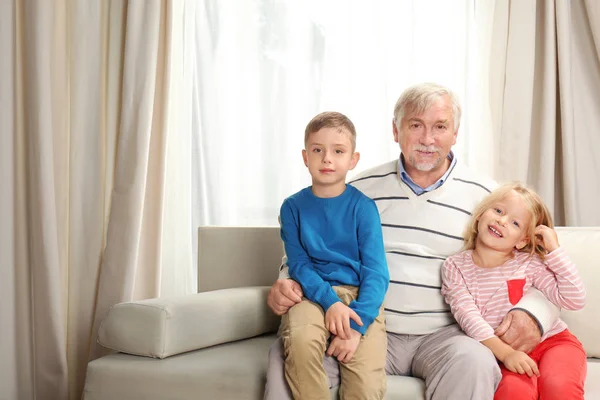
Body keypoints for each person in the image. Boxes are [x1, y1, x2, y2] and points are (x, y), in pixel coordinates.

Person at [265, 82, 561, 400]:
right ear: (396, 130)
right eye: (415, 125)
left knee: (473, 361)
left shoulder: (490, 198)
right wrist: (286, 280)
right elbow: (309, 246)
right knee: (289, 354)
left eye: (440, 127)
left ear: (456, 133)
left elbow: (544, 266)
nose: (427, 139)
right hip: (366, 323)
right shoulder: (359, 188)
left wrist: (533, 314)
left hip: (447, 335)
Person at [279, 111, 389, 400]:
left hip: (359, 298)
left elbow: (377, 273)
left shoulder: (363, 208)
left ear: (353, 160)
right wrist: (329, 302)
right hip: (312, 295)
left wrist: (357, 325)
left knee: (365, 384)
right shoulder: (292, 208)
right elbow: (299, 264)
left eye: (338, 151)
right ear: (305, 156)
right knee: (300, 342)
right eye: (318, 150)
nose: (327, 159)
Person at [442, 182, 586, 399]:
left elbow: (574, 299)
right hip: (505, 354)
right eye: (498, 211)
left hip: (553, 344)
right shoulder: (455, 267)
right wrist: (507, 354)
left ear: (522, 241)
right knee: (512, 393)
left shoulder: (530, 263)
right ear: (481, 215)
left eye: (515, 223)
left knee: (558, 387)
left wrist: (554, 251)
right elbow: (468, 318)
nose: (502, 221)